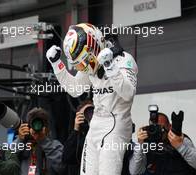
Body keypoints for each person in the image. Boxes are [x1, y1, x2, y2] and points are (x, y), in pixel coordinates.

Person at [46, 23, 138, 175]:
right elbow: (76, 90)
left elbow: (128, 93)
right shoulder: (90, 64)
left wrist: (110, 67)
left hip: (118, 125)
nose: (83, 67)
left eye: (84, 61)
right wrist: (57, 64)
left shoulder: (124, 60)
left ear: (93, 47)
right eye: (79, 64)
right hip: (95, 124)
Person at [129, 113, 196, 175]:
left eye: (161, 128)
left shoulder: (180, 139)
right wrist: (139, 145)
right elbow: (135, 172)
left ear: (169, 127)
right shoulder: (146, 143)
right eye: (155, 128)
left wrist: (180, 146)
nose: (158, 131)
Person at [14, 107, 65, 175]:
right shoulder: (23, 144)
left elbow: (62, 168)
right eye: (34, 124)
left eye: (40, 125)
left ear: (46, 128)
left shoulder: (55, 145)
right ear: (29, 126)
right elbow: (8, 162)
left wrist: (44, 141)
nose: (37, 128)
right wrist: (20, 139)